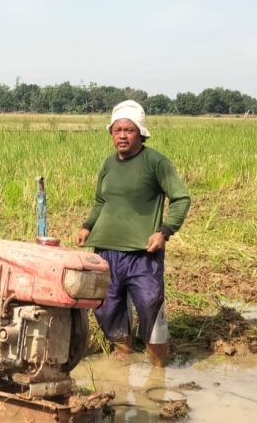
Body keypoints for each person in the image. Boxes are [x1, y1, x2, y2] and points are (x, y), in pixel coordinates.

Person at [76, 99, 190, 367]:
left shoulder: (155, 162)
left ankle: (158, 371)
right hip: (106, 250)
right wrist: (87, 226)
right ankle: (123, 359)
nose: (123, 135)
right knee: (107, 308)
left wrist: (164, 231)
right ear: (111, 133)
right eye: (118, 130)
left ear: (140, 133)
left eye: (129, 130)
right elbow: (101, 201)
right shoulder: (108, 164)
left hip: (143, 254)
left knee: (151, 307)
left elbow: (181, 198)